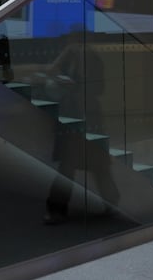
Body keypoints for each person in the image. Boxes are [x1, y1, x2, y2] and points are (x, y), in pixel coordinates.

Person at [42, 33, 120, 224]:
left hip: (84, 116)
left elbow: (98, 88)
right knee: (83, 163)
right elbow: (51, 71)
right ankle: (109, 201)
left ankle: (58, 208)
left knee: (81, 163)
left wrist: (77, 83)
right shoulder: (71, 57)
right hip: (74, 114)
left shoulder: (92, 59)